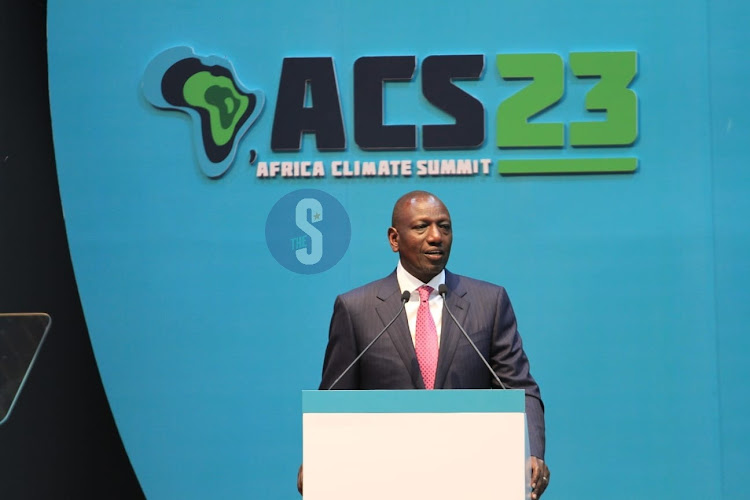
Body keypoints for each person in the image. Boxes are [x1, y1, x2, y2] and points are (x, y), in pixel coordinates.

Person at [300, 190, 549, 499]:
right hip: (384, 478)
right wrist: (319, 455)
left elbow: (519, 388)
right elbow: (335, 398)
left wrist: (531, 450)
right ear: (394, 239)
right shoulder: (355, 309)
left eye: (444, 227)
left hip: (470, 475)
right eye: (422, 227)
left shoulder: (489, 301)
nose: (436, 237)